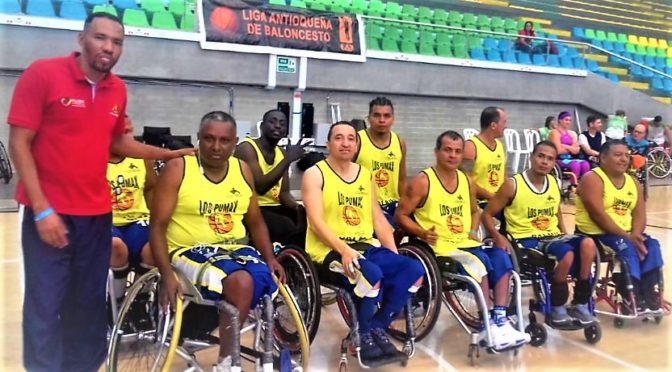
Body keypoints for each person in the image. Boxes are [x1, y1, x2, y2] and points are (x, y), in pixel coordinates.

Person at [6, 13, 192, 372]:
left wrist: (166, 154)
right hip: (49, 213)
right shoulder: (43, 74)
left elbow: (118, 142)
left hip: (95, 216)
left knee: (87, 303)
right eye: (100, 38)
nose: (108, 47)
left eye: (117, 42)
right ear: (82, 39)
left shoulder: (117, 90)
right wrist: (43, 210)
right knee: (45, 303)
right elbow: (19, 143)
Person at [151, 111, 285, 371]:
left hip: (234, 250)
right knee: (242, 282)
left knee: (266, 280)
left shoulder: (242, 169)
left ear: (235, 143)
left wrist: (270, 258)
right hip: (188, 251)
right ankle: (226, 360)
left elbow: (255, 221)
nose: (216, 147)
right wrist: (166, 273)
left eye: (224, 141)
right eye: (209, 139)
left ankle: (228, 341)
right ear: (198, 139)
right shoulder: (179, 168)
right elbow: (157, 226)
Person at [395, 130, 530, 349]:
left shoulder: (466, 181)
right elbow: (400, 216)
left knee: (500, 258)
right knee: (478, 264)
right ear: (436, 152)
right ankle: (486, 324)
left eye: (458, 151)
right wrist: (421, 233)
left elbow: (475, 212)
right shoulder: (422, 181)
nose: (453, 155)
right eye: (447, 150)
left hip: (465, 242)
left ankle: (500, 319)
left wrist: (473, 230)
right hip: (439, 247)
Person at [302, 121, 424, 361]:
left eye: (350, 138)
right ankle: (362, 335)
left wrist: (393, 254)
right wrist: (344, 250)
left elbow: (378, 220)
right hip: (328, 250)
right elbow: (316, 222)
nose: (345, 143)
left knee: (414, 271)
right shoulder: (315, 174)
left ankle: (374, 326)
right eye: (338, 138)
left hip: (365, 247)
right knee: (372, 275)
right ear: (328, 144)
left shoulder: (364, 176)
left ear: (357, 145)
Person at [483, 141, 599, 325]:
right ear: (532, 157)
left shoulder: (554, 182)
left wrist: (564, 232)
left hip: (553, 237)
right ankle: (557, 305)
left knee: (588, 244)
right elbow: (487, 214)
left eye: (550, 159)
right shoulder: (512, 185)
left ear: (554, 163)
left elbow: (556, 211)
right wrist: (498, 237)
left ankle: (580, 301)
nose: (544, 162)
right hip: (526, 241)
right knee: (567, 254)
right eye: (541, 156)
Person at [575, 140, 665, 313]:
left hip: (625, 234)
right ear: (602, 158)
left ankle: (647, 293)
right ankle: (629, 295)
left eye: (626, 155)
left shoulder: (634, 183)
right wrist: (628, 237)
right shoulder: (592, 178)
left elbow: (640, 214)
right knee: (626, 248)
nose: (624, 159)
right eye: (618, 155)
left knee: (652, 246)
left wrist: (636, 235)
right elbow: (598, 216)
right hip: (596, 234)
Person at [234, 109, 307, 247]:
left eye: (282, 123)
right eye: (272, 121)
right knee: (286, 226)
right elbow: (261, 187)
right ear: (261, 127)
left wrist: (300, 208)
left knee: (310, 221)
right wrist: (288, 159)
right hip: (252, 208)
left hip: (275, 207)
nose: (278, 126)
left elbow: (284, 194)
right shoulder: (247, 148)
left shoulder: (281, 153)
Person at [107, 115, 157, 305]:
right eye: (121, 133)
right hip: (106, 220)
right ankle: (117, 302)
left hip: (137, 220)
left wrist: (157, 223)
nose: (127, 137)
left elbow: (152, 188)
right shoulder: (92, 157)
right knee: (116, 247)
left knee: (155, 247)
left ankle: (139, 301)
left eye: (129, 131)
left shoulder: (142, 157)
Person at [354, 97, 407, 227]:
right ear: (369, 118)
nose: (382, 120)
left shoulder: (399, 142)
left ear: (393, 119)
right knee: (390, 229)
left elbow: (401, 180)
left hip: (392, 204)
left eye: (386, 116)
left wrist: (405, 207)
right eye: (377, 115)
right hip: (366, 204)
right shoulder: (357, 141)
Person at [463, 106, 507, 211]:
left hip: (498, 199)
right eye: (504, 122)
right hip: (481, 202)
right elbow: (465, 181)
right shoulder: (471, 146)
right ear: (493, 125)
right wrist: (491, 196)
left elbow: (503, 175)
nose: (506, 126)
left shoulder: (499, 145)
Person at [549, 111, 590, 187]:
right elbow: (558, 151)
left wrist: (564, 146)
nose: (568, 122)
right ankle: (573, 187)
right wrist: (571, 148)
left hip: (570, 159)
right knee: (575, 164)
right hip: (558, 160)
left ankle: (585, 186)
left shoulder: (572, 133)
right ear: (560, 120)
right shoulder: (554, 133)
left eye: (570, 120)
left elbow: (576, 150)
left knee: (585, 164)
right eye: (566, 120)